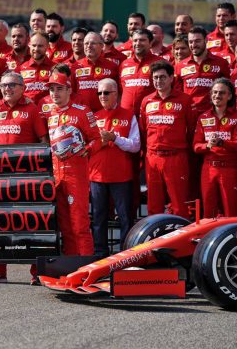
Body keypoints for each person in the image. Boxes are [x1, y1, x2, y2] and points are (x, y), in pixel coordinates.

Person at [0, 71, 48, 285]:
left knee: (31, 224)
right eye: (3, 85)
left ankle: (37, 270)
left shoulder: (32, 109)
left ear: (23, 87)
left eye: (11, 85)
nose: (6, 89)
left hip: (26, 178)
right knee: (0, 223)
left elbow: (43, 142)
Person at [46, 72, 101, 256]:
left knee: (79, 225)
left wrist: (87, 149)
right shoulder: (49, 113)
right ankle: (70, 266)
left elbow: (97, 139)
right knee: (65, 226)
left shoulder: (82, 111)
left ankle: (86, 267)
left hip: (76, 175)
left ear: (69, 90)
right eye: (52, 89)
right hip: (56, 176)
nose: (55, 93)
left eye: (59, 89)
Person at [89, 78, 140, 256]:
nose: (102, 96)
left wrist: (115, 139)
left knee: (125, 218)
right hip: (97, 175)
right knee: (98, 218)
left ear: (116, 93)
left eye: (106, 92)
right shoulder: (93, 117)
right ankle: (99, 254)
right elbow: (86, 147)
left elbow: (135, 145)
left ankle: (125, 255)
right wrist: (100, 143)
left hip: (121, 176)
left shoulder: (128, 114)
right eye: (100, 93)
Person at [139, 61, 195, 218]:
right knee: (154, 205)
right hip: (153, 157)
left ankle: (180, 242)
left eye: (162, 77)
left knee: (179, 205)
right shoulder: (146, 101)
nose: (158, 81)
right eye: (155, 77)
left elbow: (191, 130)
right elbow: (144, 130)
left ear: (172, 78)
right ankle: (155, 242)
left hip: (176, 157)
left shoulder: (185, 100)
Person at [193, 78, 237, 218]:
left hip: (229, 168)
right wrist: (207, 145)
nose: (217, 96)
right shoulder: (203, 117)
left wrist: (223, 142)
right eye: (215, 92)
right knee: (208, 211)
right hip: (209, 168)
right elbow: (196, 146)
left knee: (231, 210)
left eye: (222, 93)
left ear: (229, 96)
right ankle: (209, 239)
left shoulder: (235, 117)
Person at [175, 26, 230, 117]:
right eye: (190, 42)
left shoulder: (221, 63)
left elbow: (228, 91)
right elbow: (178, 94)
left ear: (206, 40)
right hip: (189, 115)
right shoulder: (180, 66)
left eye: (197, 41)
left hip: (213, 115)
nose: (193, 45)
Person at [70, 32, 119, 112]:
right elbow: (72, 92)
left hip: (105, 115)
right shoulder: (75, 66)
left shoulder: (112, 67)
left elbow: (119, 93)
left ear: (102, 46)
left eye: (93, 43)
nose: (89, 46)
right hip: (82, 115)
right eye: (86, 43)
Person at [119, 29, 162, 117]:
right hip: (126, 118)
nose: (138, 43)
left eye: (142, 40)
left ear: (150, 43)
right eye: (135, 40)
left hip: (150, 116)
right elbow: (120, 91)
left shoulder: (160, 63)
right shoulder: (124, 64)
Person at [17, 31, 53, 103]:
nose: (36, 49)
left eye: (40, 46)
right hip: (26, 111)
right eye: (33, 45)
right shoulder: (20, 69)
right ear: (29, 45)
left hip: (49, 111)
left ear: (47, 46)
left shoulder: (55, 68)